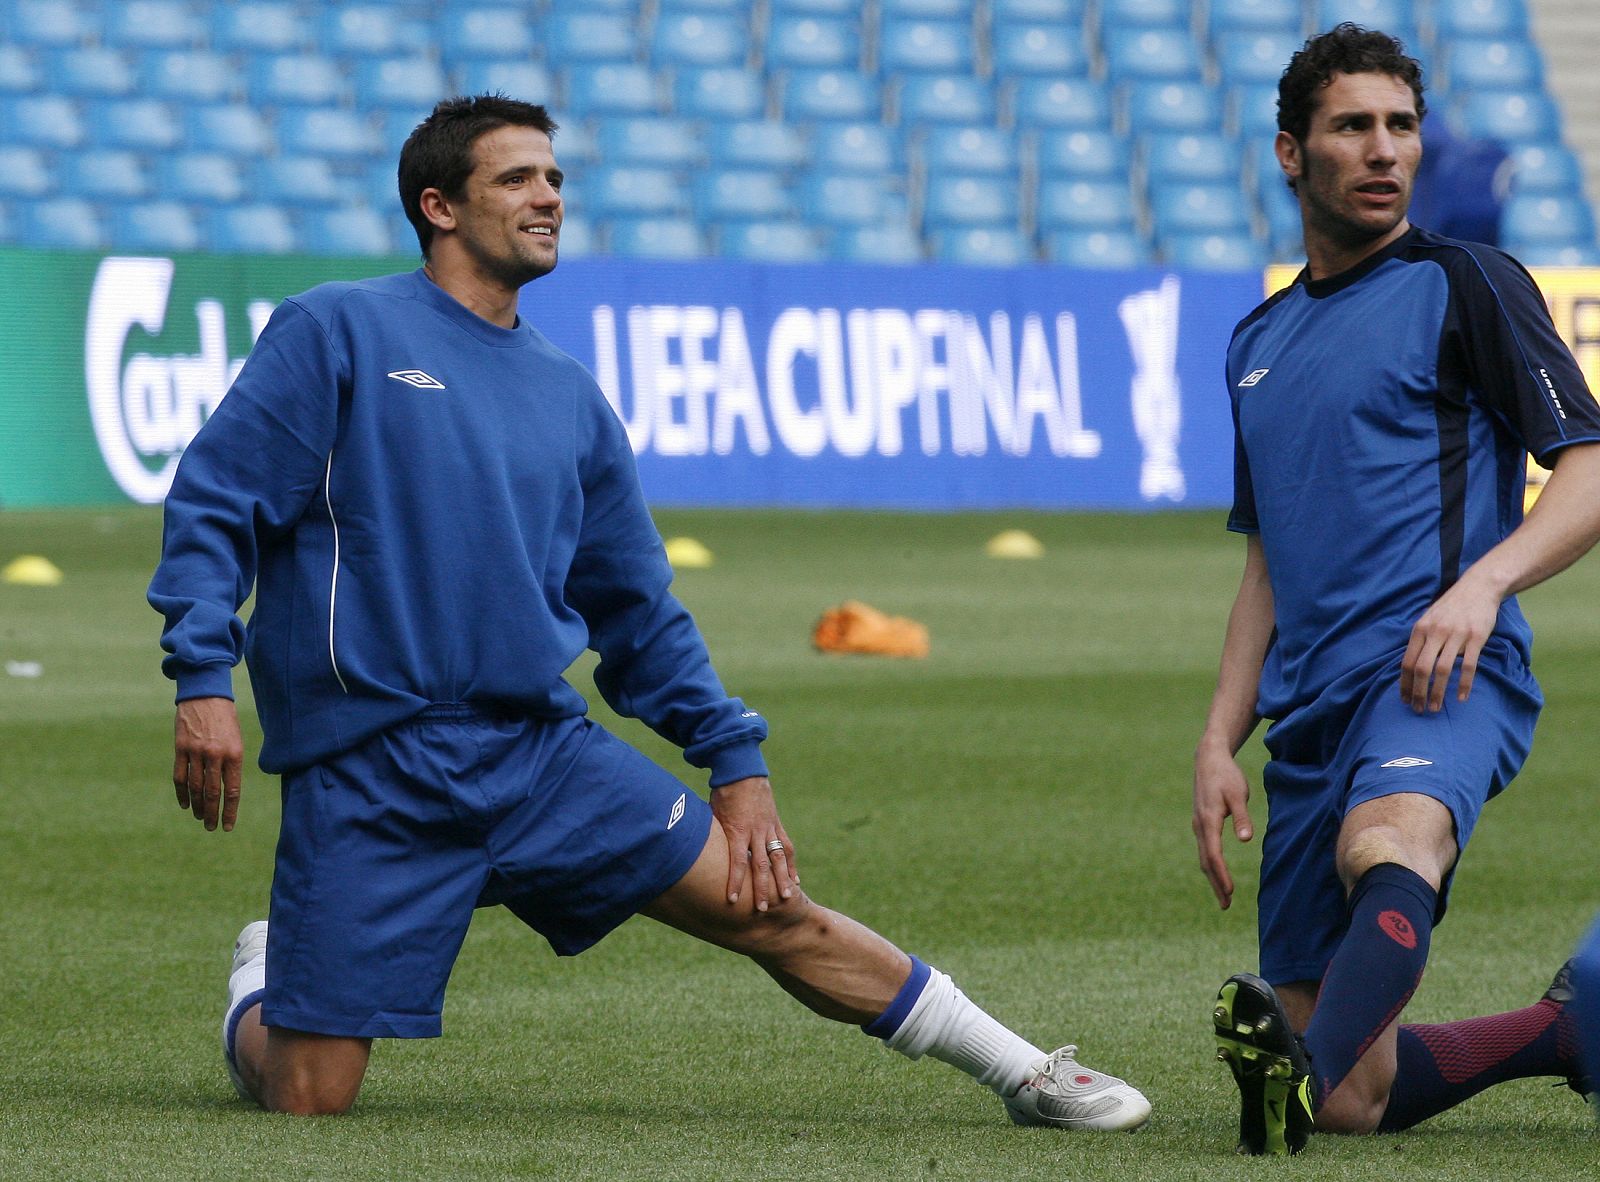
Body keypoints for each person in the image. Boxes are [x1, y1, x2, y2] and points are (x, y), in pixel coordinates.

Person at [147, 95, 1150, 1130]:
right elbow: (216, 502)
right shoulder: (337, 329)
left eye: (555, 180)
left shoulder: (568, 394)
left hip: (539, 761)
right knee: (310, 1098)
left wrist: (736, 760)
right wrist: (202, 679)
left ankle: (1027, 1073)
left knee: (769, 907)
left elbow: (634, 606)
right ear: (438, 206)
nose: (549, 198)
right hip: (372, 767)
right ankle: (266, 978)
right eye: (518, 179)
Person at [1191, 25, 1600, 1155]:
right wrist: (1221, 739)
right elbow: (1265, 559)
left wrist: (1483, 586)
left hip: (1442, 673)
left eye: (1401, 127)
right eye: (1352, 127)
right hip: (1311, 717)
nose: (1384, 151)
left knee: (1390, 841)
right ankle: (1564, 1034)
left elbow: (1588, 471)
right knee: (1362, 1096)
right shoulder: (1256, 342)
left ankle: (1291, 1080)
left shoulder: (1467, 282)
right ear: (1291, 153)